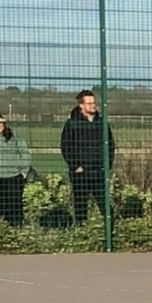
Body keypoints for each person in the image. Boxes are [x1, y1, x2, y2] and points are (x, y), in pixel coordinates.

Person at [59, 90, 116, 225]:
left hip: (98, 170)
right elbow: (66, 147)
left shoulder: (102, 123)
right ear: (81, 105)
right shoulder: (72, 124)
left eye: (94, 103)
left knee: (104, 203)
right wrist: (75, 166)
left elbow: (110, 145)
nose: (93, 105)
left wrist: (107, 164)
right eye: (89, 103)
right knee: (80, 204)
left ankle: (110, 228)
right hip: (81, 172)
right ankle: (81, 227)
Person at [0, 113, 30, 227]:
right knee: (0, 205)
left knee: (14, 204)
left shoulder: (13, 136)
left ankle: (16, 227)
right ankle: (2, 227)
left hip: (13, 176)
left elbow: (24, 152)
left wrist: (24, 171)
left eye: (1, 123)